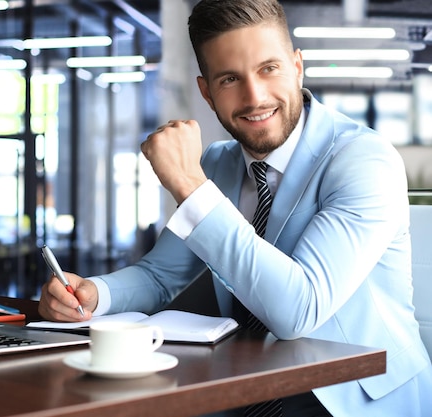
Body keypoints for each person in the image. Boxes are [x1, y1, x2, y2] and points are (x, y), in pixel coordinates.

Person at [38, 0, 432, 415]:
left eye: (269, 68)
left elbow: (300, 310)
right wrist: (92, 295)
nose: (255, 96)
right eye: (230, 79)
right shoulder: (217, 163)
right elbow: (161, 275)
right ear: (207, 92)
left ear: (297, 67)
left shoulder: (363, 159)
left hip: (356, 398)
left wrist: (189, 186)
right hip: (249, 387)